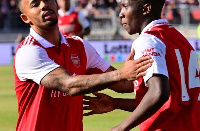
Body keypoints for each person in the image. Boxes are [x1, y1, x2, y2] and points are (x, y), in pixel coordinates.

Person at [14, 0, 153, 130]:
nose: (44, 5)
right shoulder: (28, 51)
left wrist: (157, 69)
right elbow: (68, 85)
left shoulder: (80, 46)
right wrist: (121, 73)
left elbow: (124, 84)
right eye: (35, 4)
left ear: (56, 4)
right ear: (26, 18)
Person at [83, 0, 200, 130]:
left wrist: (120, 128)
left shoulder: (148, 40)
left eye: (125, 6)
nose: (121, 14)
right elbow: (170, 100)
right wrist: (116, 103)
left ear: (146, 9)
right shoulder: (180, 39)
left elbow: (158, 93)